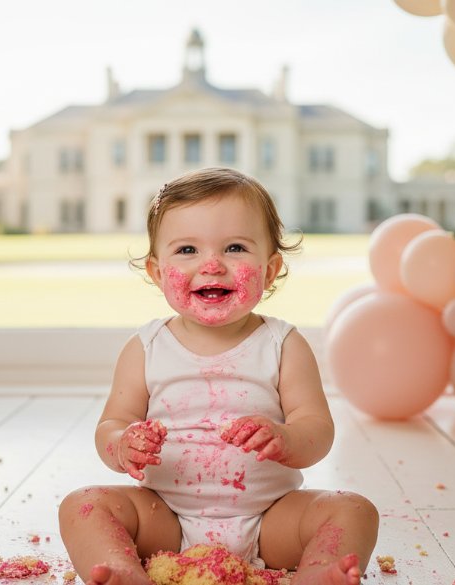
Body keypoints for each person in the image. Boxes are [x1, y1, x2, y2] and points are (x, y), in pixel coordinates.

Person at [59, 167, 378, 585]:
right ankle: (123, 574)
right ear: (157, 273)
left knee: (355, 510)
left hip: (270, 520)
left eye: (234, 248)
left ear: (269, 268)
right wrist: (122, 445)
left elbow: (318, 430)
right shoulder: (147, 347)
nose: (211, 265)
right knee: (81, 505)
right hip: (164, 519)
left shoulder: (283, 345)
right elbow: (111, 424)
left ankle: (317, 575)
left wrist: (286, 439)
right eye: (188, 250)